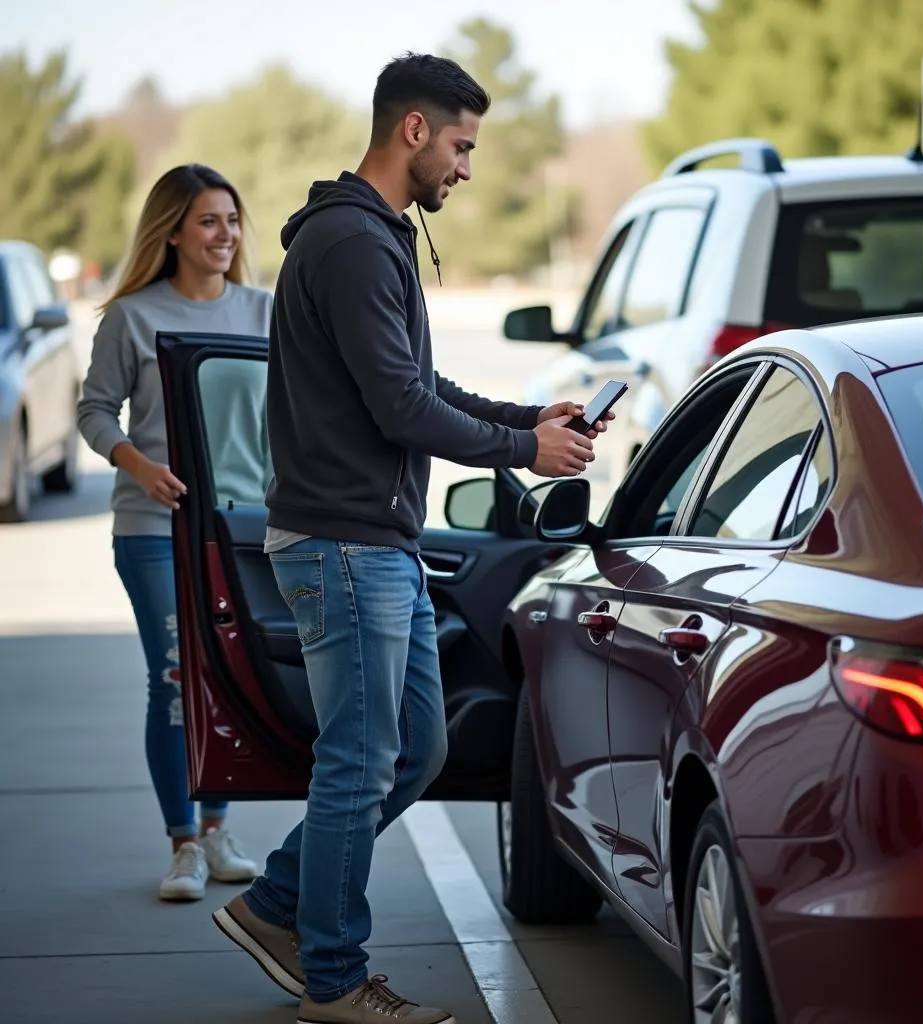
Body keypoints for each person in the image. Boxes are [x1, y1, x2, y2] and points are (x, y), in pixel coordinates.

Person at [210, 52, 610, 1024]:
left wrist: (530, 418)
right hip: (345, 545)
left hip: (370, 542)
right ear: (415, 131)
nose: (468, 168)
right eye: (463, 145)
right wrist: (523, 448)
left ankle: (274, 904)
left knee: (415, 749)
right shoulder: (351, 244)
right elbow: (399, 407)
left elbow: (419, 387)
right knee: (361, 756)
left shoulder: (373, 237)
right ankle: (335, 980)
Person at [77, 164, 272, 902]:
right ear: (174, 233)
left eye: (231, 220)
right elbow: (96, 412)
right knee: (172, 679)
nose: (225, 236)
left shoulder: (265, 311)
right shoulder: (131, 315)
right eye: (208, 222)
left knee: (228, 674)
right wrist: (138, 462)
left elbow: (285, 419)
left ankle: (219, 827)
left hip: (241, 527)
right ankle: (182, 843)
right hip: (152, 525)